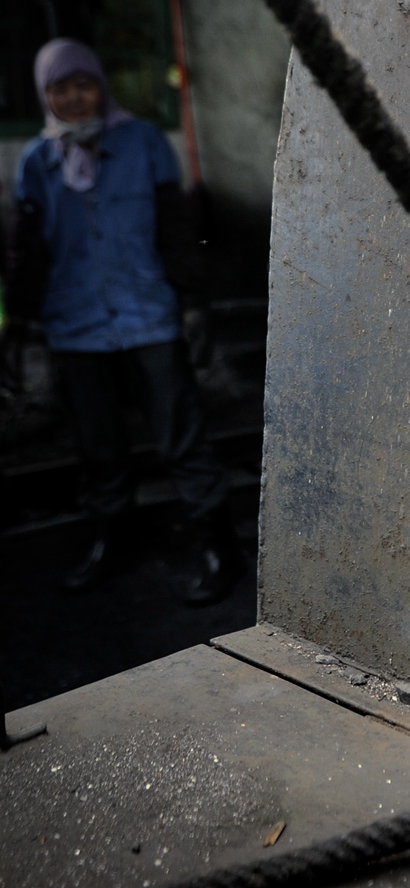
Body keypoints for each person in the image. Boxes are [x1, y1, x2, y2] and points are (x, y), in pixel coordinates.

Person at [4, 38, 240, 604]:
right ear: (47, 95)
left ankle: (217, 545)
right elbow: (29, 252)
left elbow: (176, 231)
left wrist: (192, 304)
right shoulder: (36, 163)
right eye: (61, 87)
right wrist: (22, 325)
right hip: (75, 323)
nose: (75, 96)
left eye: (84, 83)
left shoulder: (143, 143)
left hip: (148, 316)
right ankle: (113, 538)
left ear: (100, 86)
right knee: (98, 442)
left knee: (180, 435)